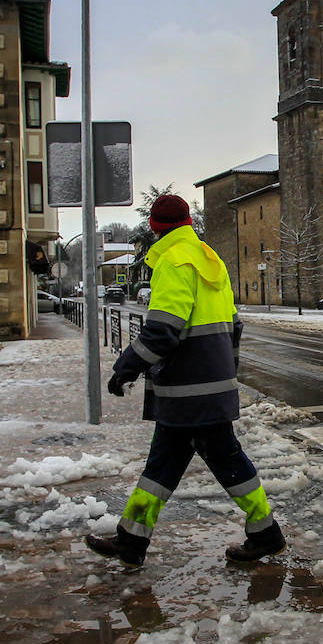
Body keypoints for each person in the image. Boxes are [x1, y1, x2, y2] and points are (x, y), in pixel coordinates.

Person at [85, 194, 285, 567]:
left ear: (155, 229)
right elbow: (234, 326)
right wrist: (227, 373)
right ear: (189, 222)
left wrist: (126, 367)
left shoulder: (173, 262)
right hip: (208, 387)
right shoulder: (211, 260)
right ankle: (132, 539)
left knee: (224, 462)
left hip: (186, 390)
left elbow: (163, 331)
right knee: (165, 464)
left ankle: (266, 532)